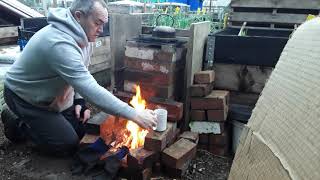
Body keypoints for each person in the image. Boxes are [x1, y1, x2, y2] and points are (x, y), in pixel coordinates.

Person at [1, 0, 157, 156]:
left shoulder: (84, 35)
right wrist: (134, 114)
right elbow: (90, 88)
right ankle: (17, 123)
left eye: (103, 24)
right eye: (97, 23)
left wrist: (79, 101)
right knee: (66, 144)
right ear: (78, 16)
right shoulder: (58, 43)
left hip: (51, 95)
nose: (101, 30)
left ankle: (47, 121)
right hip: (25, 97)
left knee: (81, 130)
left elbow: (83, 72)